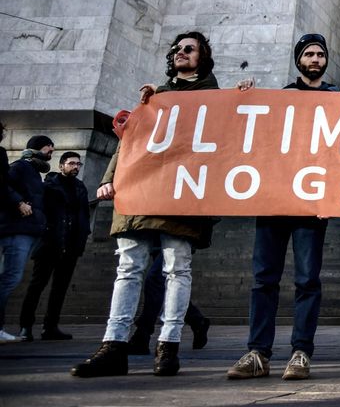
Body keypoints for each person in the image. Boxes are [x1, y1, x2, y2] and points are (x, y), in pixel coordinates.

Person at [72, 31, 227, 378]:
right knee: (128, 268)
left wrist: (244, 94)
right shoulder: (153, 99)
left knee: (177, 268)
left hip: (182, 193)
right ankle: (114, 345)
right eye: (177, 49)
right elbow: (131, 142)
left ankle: (168, 345)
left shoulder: (215, 99)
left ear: (203, 57)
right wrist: (110, 177)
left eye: (189, 49)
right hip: (141, 189)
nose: (180, 53)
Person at [228, 33, 336, 381]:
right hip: (274, 199)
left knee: (307, 280)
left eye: (320, 54)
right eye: (309, 54)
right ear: (298, 60)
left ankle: (301, 352)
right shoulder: (279, 99)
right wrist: (244, 98)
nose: (316, 59)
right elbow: (249, 134)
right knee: (264, 279)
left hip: (311, 202)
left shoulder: (338, 99)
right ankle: (258, 353)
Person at [18, 150, 90, 341]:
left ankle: (50, 327)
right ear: (61, 166)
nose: (75, 167)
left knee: (60, 288)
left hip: (71, 246)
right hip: (50, 244)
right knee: (37, 286)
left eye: (78, 164)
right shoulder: (49, 186)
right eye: (71, 163)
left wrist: (83, 237)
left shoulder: (80, 187)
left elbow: (84, 215)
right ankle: (25, 327)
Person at [0, 135, 53, 342]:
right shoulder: (20, 166)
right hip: (17, 229)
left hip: (27, 230)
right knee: (9, 278)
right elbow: (3, 185)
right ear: (37, 148)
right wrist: (19, 202)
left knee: (10, 278)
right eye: (49, 148)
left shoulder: (33, 171)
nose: (51, 152)